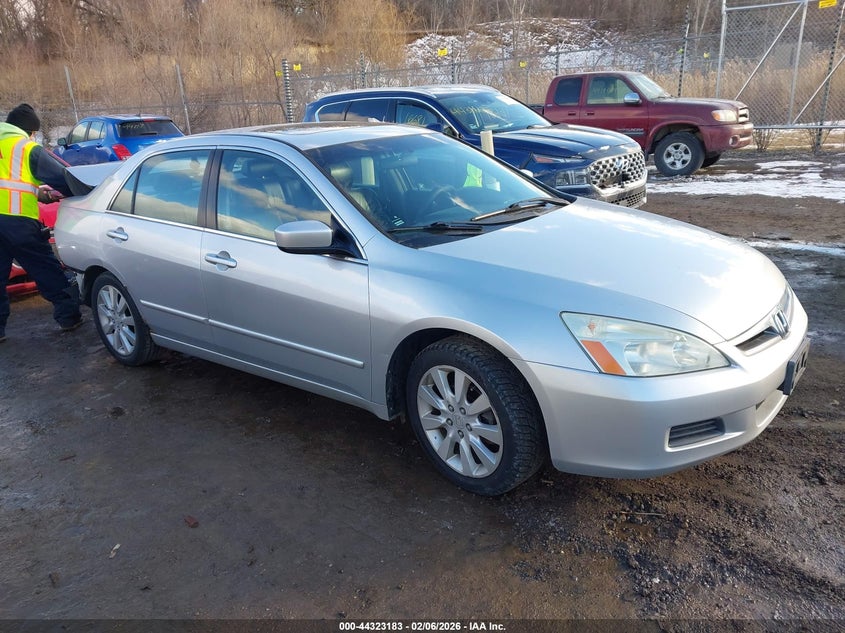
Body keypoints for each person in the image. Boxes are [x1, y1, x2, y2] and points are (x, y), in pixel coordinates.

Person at [0, 103, 82, 343]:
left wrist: (37, 193)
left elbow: (6, 183)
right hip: (18, 223)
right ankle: (69, 317)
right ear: (30, 130)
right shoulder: (25, 147)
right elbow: (61, 177)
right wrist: (84, 192)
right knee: (46, 268)